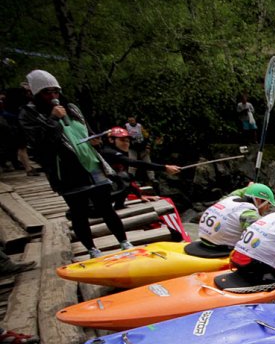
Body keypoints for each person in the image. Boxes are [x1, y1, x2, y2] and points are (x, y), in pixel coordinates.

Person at [19, 69, 132, 258]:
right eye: (47, 92)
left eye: (56, 91)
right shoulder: (29, 114)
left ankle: (124, 241)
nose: (53, 96)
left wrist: (97, 141)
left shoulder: (70, 108)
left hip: (92, 164)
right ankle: (92, 249)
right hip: (66, 170)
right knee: (79, 212)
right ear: (36, 93)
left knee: (106, 208)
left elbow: (86, 130)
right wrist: (53, 119)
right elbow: (40, 143)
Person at [186, 183, 275, 257]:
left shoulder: (230, 198)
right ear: (258, 200)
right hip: (221, 249)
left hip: (204, 240)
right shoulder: (249, 213)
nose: (268, 207)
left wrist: (250, 187)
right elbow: (261, 236)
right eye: (268, 203)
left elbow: (239, 192)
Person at [100, 127, 181, 208]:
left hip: (107, 192)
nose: (126, 143)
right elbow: (135, 163)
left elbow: (128, 179)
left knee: (126, 175)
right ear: (111, 140)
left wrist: (140, 196)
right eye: (122, 140)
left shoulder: (116, 153)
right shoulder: (108, 152)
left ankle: (117, 205)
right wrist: (164, 167)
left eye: (127, 141)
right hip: (98, 197)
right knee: (124, 175)